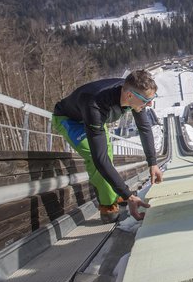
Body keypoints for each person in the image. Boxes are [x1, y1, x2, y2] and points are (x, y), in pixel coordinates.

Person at [52, 70, 164, 223]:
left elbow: (144, 128)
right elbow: (100, 159)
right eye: (146, 100)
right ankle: (107, 206)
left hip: (95, 120)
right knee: (94, 156)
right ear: (130, 95)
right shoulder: (95, 105)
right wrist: (128, 195)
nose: (149, 104)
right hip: (70, 120)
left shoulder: (134, 95)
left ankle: (115, 194)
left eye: (152, 99)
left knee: (108, 155)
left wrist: (153, 163)